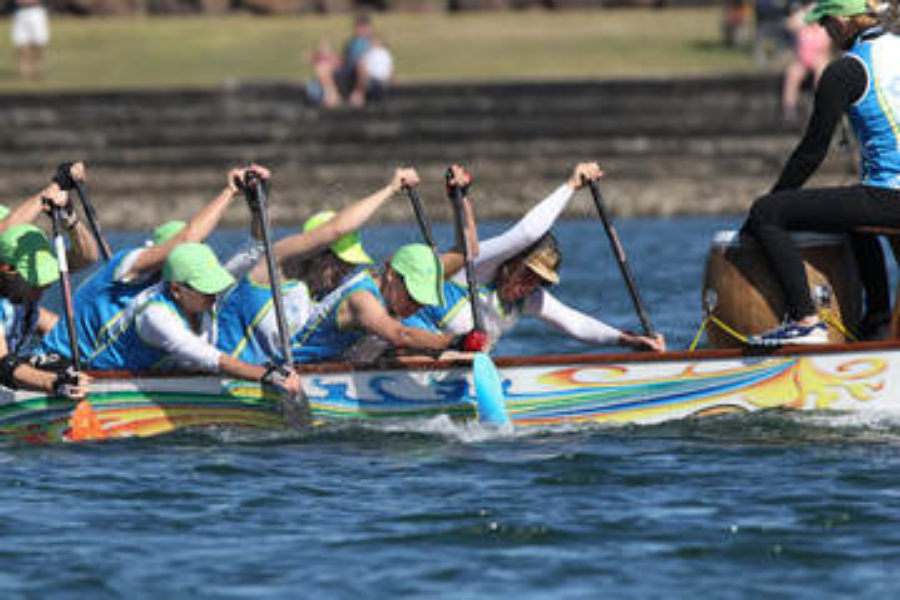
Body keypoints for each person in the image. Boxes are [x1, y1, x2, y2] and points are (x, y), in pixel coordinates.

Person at [743, 0, 900, 345]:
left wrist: (772, 202)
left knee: (767, 213)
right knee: (850, 216)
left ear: (845, 21)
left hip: (890, 197)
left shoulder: (846, 70)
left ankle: (805, 321)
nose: (824, 30)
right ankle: (877, 321)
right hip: (886, 197)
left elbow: (812, 152)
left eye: (826, 22)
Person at [403, 163, 666, 354]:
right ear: (512, 263)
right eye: (528, 273)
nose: (531, 285)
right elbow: (527, 232)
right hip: (404, 344)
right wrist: (572, 185)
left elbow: (574, 323)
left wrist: (629, 341)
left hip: (448, 363)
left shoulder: (527, 299)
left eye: (541, 281)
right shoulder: (478, 268)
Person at [38, 164, 263, 365]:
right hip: (67, 364)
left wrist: (257, 204)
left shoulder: (197, 287)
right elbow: (187, 238)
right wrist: (230, 191)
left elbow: (254, 249)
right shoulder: (127, 268)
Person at [215, 167, 417, 365]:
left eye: (350, 266)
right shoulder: (271, 273)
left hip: (271, 381)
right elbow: (336, 229)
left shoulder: (323, 303)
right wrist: (391, 189)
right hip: (222, 378)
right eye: (340, 264)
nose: (345, 272)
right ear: (316, 253)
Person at [85, 242, 302, 396]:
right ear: (176, 289)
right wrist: (268, 376)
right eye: (206, 289)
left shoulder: (197, 296)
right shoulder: (155, 315)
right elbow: (208, 357)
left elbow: (254, 251)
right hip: (104, 382)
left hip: (163, 379)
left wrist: (255, 203)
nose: (214, 295)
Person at [291, 243, 460, 363]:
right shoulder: (362, 299)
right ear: (391, 275)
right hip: (297, 369)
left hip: (334, 368)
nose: (415, 307)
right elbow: (401, 335)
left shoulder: (390, 296)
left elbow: (464, 254)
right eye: (412, 297)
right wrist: (453, 342)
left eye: (423, 302)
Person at [0, 223, 90, 398]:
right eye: (35, 283)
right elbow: (3, 365)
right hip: (3, 368)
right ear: (6, 270)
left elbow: (64, 334)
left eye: (45, 284)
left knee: (63, 360)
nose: (41, 291)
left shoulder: (23, 305)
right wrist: (54, 382)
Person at [307, 13, 375, 108]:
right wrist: (324, 55)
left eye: (363, 27)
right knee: (321, 66)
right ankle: (331, 94)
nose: (360, 30)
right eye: (358, 26)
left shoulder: (374, 42)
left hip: (364, 77)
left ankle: (359, 95)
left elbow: (374, 64)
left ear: (368, 28)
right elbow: (342, 60)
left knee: (361, 65)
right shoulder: (351, 43)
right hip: (348, 73)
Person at [782, 1, 832, 122]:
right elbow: (789, 24)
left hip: (819, 58)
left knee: (821, 72)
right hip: (802, 60)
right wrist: (804, 14)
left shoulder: (824, 25)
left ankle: (821, 105)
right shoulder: (803, 24)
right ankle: (789, 108)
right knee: (792, 75)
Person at [348, 36, 394, 108]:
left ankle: (358, 96)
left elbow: (362, 69)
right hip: (382, 83)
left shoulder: (370, 53)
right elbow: (390, 71)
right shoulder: (385, 53)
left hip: (374, 83)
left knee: (361, 69)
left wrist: (358, 90)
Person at [9, 0, 49, 80]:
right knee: (21, 42)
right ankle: (24, 70)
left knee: (39, 42)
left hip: (36, 11)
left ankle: (38, 67)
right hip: (20, 12)